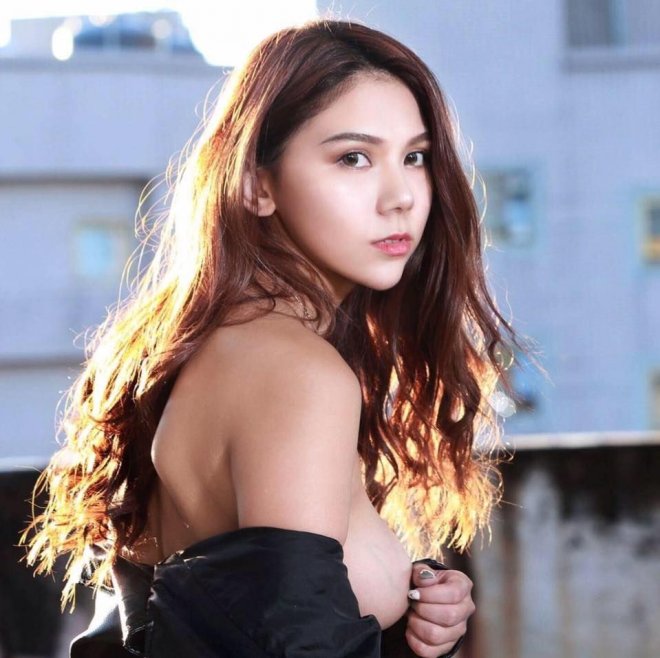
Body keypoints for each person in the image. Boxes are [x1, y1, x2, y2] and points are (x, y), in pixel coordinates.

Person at [23, 17, 533, 658]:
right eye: (353, 158)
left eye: (415, 157)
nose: (401, 196)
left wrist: (407, 626)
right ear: (256, 184)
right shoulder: (297, 374)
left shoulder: (227, 345)